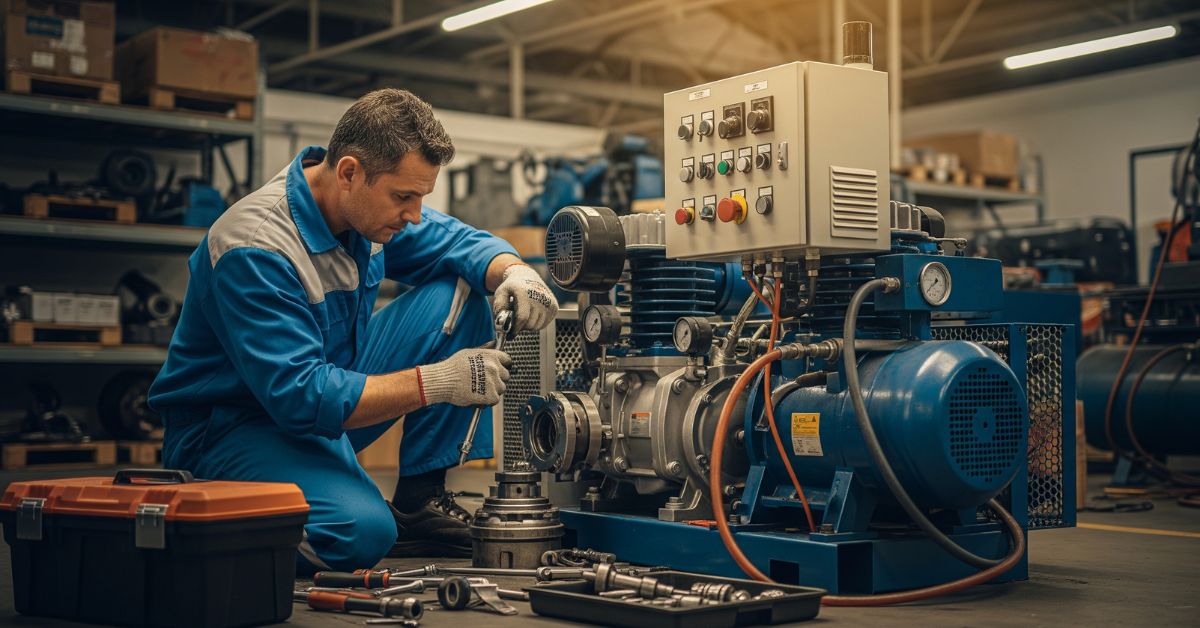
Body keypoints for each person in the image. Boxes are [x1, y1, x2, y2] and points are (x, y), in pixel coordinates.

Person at [147, 88, 559, 572]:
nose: (414, 214)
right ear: (349, 173)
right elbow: (300, 396)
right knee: (360, 532)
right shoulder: (256, 249)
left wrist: (514, 270)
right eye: (404, 196)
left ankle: (418, 500)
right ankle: (236, 510)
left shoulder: (365, 214)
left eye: (421, 197)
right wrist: (438, 382)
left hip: (331, 396)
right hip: (232, 428)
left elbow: (456, 240)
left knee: (467, 286)